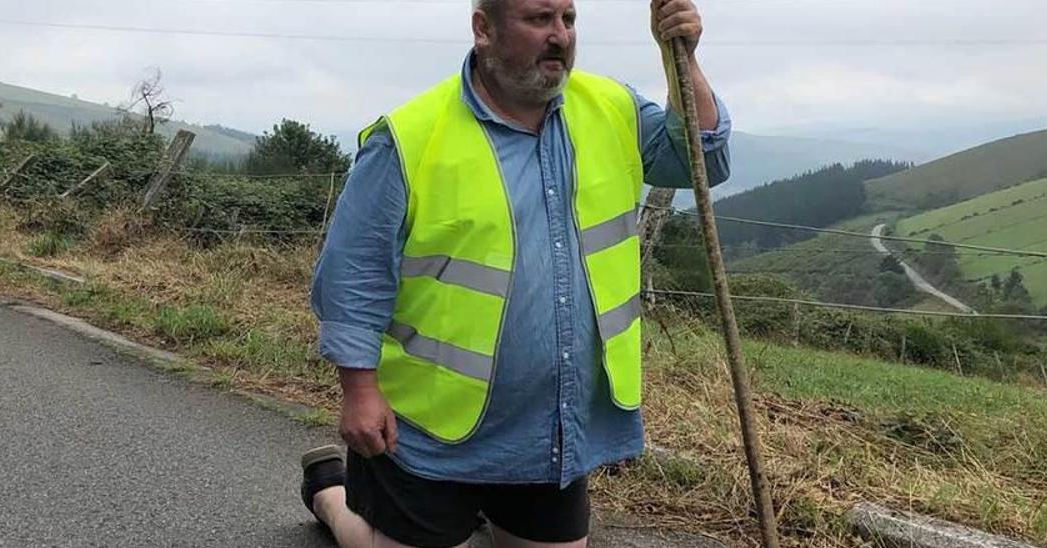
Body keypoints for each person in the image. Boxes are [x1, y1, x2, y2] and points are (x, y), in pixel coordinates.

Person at [301, 0, 731, 546]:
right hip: (431, 431)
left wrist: (682, 61)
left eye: (568, 21)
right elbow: (352, 274)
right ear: (484, 29)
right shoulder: (409, 137)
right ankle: (332, 495)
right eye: (538, 20)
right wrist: (358, 389)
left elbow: (703, 160)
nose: (559, 37)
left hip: (552, 428)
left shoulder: (611, 107)